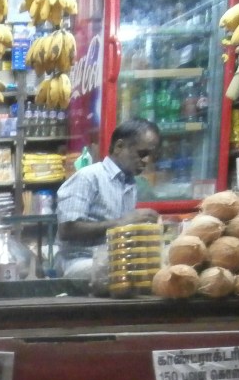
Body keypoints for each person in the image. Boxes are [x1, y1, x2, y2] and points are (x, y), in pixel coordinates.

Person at [55, 118, 162, 280]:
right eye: (142, 153)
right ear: (119, 146)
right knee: (125, 273)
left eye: (151, 156)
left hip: (114, 262)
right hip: (80, 262)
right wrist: (121, 223)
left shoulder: (130, 184)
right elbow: (67, 230)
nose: (146, 161)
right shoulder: (89, 177)